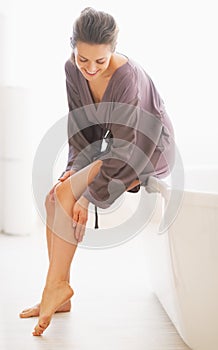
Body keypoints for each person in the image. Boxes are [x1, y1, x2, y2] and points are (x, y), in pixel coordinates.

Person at [19, 7, 175, 335]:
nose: (90, 69)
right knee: (54, 196)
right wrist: (72, 169)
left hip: (145, 152)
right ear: (73, 48)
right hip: (116, 149)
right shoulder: (72, 70)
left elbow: (130, 148)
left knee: (67, 196)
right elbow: (80, 130)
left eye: (100, 62)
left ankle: (54, 288)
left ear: (113, 51)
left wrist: (88, 197)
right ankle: (59, 292)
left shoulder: (128, 78)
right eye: (82, 59)